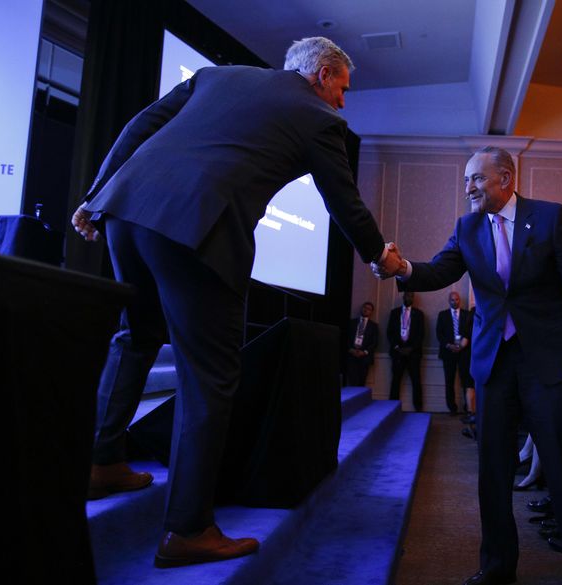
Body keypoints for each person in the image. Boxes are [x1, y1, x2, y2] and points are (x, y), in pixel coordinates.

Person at [71, 37, 400, 567]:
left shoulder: (217, 77)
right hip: (197, 231)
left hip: (126, 212)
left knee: (136, 336)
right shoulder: (319, 118)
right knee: (211, 377)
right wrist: (380, 257)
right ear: (322, 75)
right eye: (342, 89)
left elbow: (140, 127)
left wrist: (96, 191)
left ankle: (103, 459)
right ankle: (187, 529)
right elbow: (343, 201)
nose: (343, 102)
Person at [376, 146, 562, 585]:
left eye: (476, 179)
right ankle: (498, 566)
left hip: (546, 363)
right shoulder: (467, 228)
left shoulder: (552, 217)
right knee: (493, 470)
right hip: (493, 364)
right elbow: (439, 271)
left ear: (505, 178)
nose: (468, 189)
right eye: (466, 181)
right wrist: (401, 267)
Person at [388, 291, 425, 411]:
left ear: (413, 298)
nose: (409, 297)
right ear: (403, 297)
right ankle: (392, 408)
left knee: (416, 381)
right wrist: (398, 347)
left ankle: (418, 408)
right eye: (407, 295)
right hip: (398, 352)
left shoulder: (419, 314)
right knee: (395, 380)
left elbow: (421, 334)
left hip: (413, 353)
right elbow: (390, 332)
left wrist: (411, 348)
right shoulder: (394, 313)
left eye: (411, 296)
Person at [437, 291, 471, 414]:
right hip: (448, 353)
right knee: (449, 381)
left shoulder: (467, 315)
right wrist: (449, 345)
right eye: (452, 300)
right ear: (449, 301)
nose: (454, 302)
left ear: (459, 301)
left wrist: (461, 346)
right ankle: (452, 408)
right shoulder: (442, 315)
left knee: (466, 381)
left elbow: (470, 334)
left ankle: (469, 408)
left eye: (457, 299)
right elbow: (439, 334)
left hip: (464, 354)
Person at [345, 301, 379, 386]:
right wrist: (350, 349)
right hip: (351, 356)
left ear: (371, 312)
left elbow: (374, 342)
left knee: (361, 382)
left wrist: (364, 352)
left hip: (365, 358)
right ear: (361, 308)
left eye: (368, 309)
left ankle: (360, 399)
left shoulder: (374, 326)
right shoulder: (352, 322)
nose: (366, 310)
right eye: (364, 307)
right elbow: (346, 337)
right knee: (352, 381)